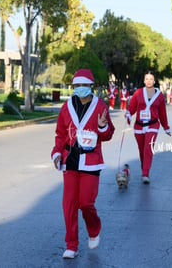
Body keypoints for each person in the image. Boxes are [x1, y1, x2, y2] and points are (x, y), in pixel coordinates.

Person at [51, 68, 115, 259]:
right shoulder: (66, 107)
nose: (80, 89)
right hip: (70, 162)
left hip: (91, 162)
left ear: (91, 86)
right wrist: (56, 154)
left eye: (84, 85)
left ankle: (94, 228)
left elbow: (108, 134)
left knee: (86, 203)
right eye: (77, 86)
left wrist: (103, 125)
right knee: (69, 204)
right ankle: (71, 244)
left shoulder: (100, 106)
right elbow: (60, 135)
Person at [125, 70, 171, 184]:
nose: (149, 81)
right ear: (144, 80)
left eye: (151, 79)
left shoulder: (159, 95)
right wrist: (128, 114)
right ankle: (143, 170)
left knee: (148, 149)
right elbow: (132, 107)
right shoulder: (138, 93)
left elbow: (162, 113)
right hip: (139, 127)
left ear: (154, 81)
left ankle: (145, 174)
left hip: (153, 125)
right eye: (147, 79)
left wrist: (166, 127)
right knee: (141, 150)